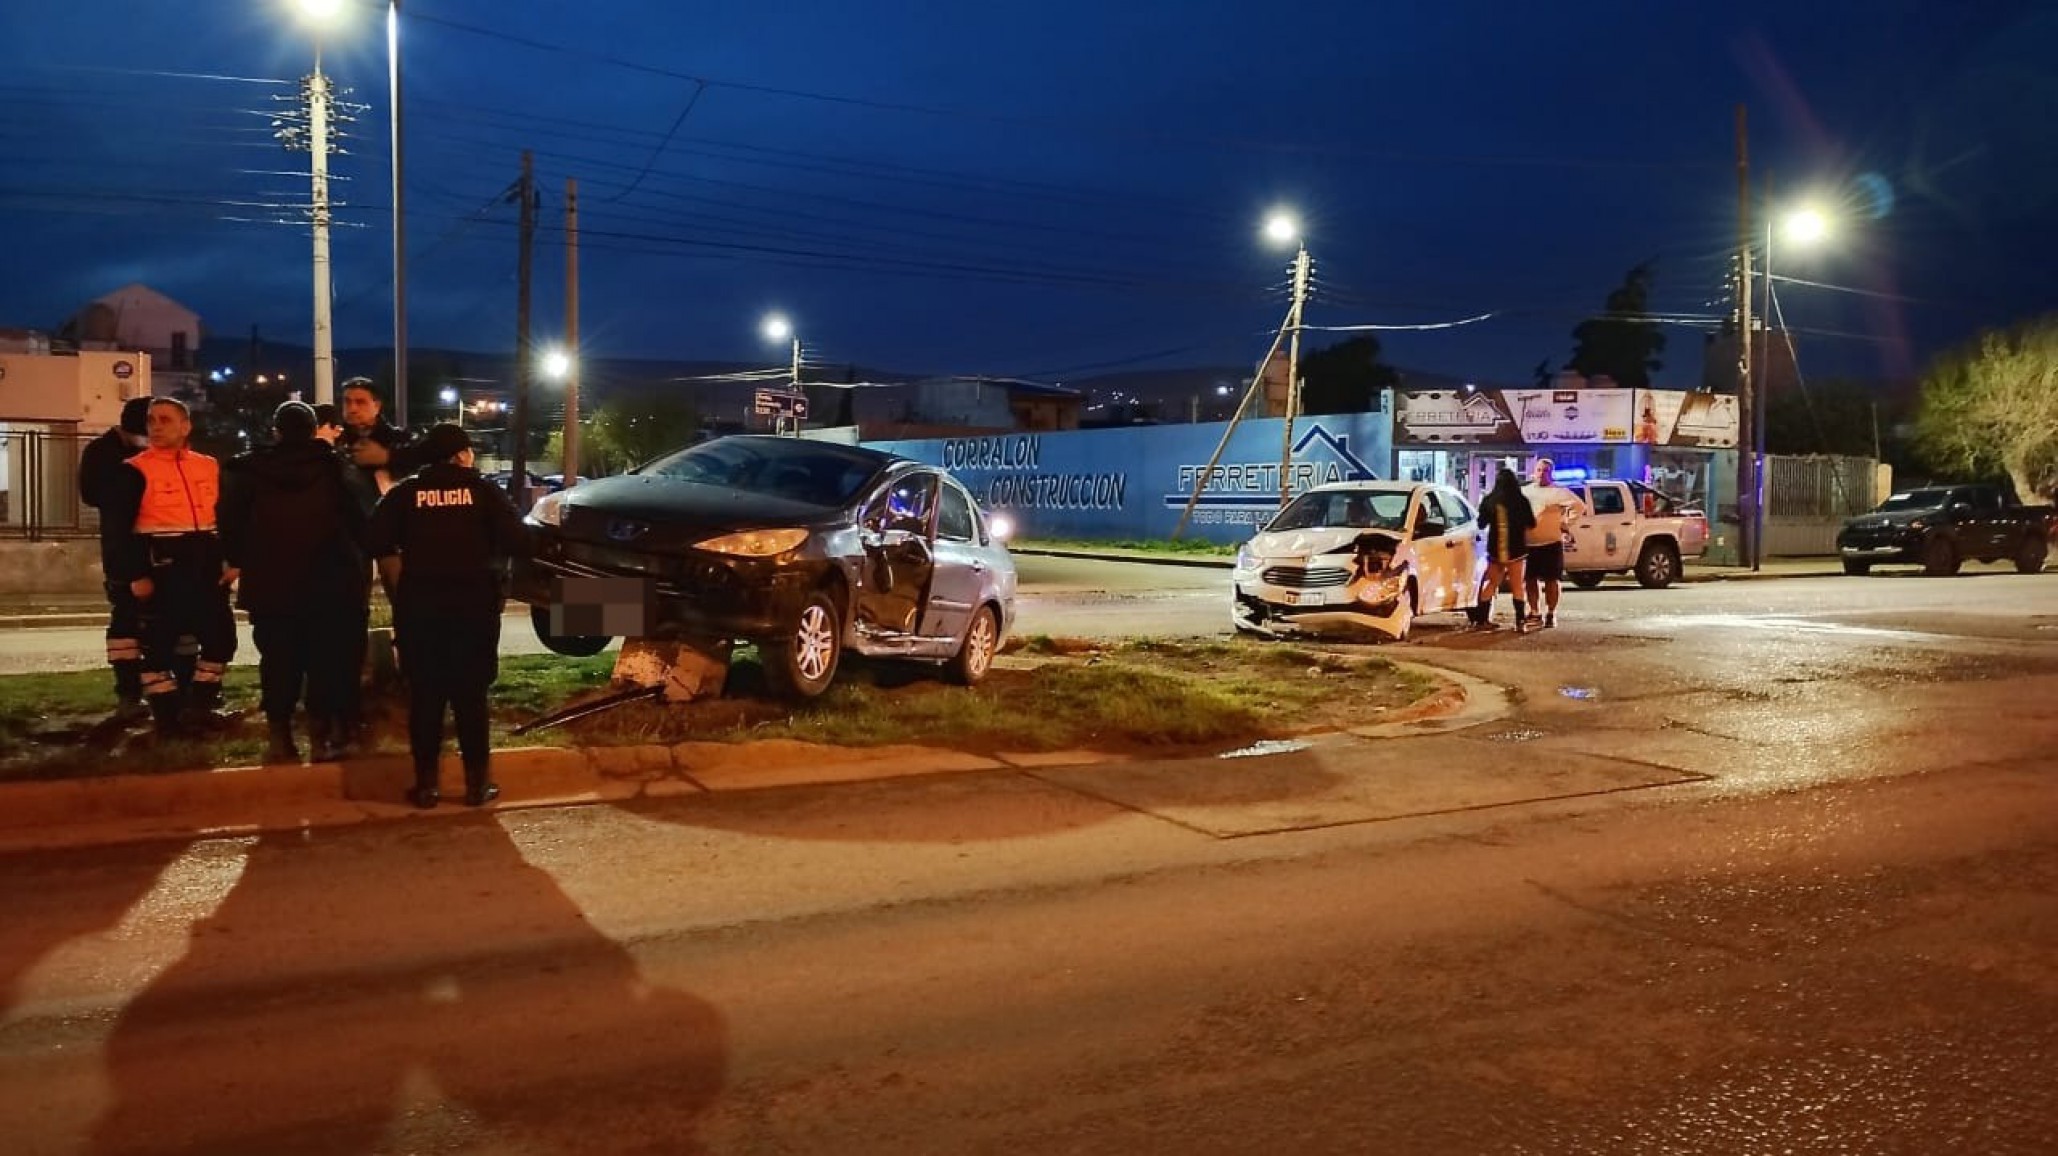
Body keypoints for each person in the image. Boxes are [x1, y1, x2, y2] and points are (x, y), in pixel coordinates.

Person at [366, 423, 530, 809]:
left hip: (420, 610)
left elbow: (373, 538)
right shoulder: (484, 492)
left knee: (426, 698)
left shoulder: (406, 493)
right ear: (461, 455)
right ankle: (477, 786)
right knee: (471, 697)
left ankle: (426, 787)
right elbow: (520, 540)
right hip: (473, 610)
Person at [220, 401, 370, 763]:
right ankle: (322, 738)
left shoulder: (248, 470)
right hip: (329, 583)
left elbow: (230, 524)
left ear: (277, 430)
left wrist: (238, 560)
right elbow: (362, 520)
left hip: (272, 585)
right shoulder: (335, 468)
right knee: (326, 661)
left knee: (278, 660)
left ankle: (280, 736)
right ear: (313, 429)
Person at [103, 398, 239, 735]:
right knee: (157, 645)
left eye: (165, 419)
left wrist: (233, 558)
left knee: (221, 638)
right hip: (161, 560)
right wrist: (135, 574)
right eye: (151, 421)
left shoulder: (207, 465)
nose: (156, 426)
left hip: (206, 558)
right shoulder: (134, 469)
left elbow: (227, 516)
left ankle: (200, 705)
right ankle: (166, 716)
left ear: (185, 426)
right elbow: (118, 528)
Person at [77, 397, 153, 720]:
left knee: (155, 626)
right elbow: (93, 495)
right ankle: (128, 693)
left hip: (148, 548)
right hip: (122, 549)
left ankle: (157, 692)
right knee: (125, 624)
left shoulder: (136, 452)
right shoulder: (103, 454)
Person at [1522, 458, 1588, 630]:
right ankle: (1534, 611)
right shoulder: (1525, 491)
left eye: (1545, 471)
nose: (1541, 474)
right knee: (1530, 580)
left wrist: (1566, 524)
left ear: (1551, 473)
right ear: (1534, 471)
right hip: (1529, 543)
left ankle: (1551, 612)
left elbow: (1579, 506)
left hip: (1551, 542)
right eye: (1539, 470)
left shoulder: (1559, 492)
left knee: (1552, 580)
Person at [1473, 464, 1537, 632]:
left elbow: (1480, 523)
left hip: (1495, 549)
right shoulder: (1521, 501)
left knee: (1492, 583)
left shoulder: (1489, 501)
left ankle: (1482, 620)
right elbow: (1531, 524)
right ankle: (1520, 622)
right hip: (1517, 549)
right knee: (1517, 586)